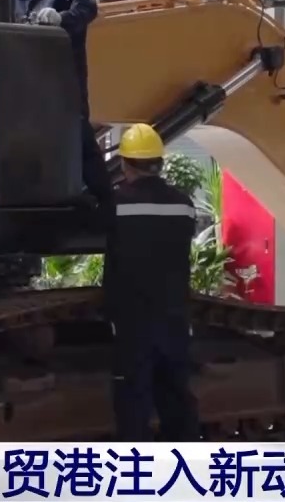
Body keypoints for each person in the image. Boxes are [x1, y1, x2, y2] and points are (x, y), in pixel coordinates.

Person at [9, 0, 112, 209]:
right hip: (28, 73)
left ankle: (104, 204)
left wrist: (61, 18)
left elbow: (86, 9)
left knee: (76, 135)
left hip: (64, 74)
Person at [102, 124, 201, 441]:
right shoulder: (184, 204)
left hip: (134, 321)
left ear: (125, 164)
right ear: (159, 162)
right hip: (174, 316)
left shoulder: (116, 205)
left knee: (134, 402)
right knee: (177, 397)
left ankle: (137, 465)